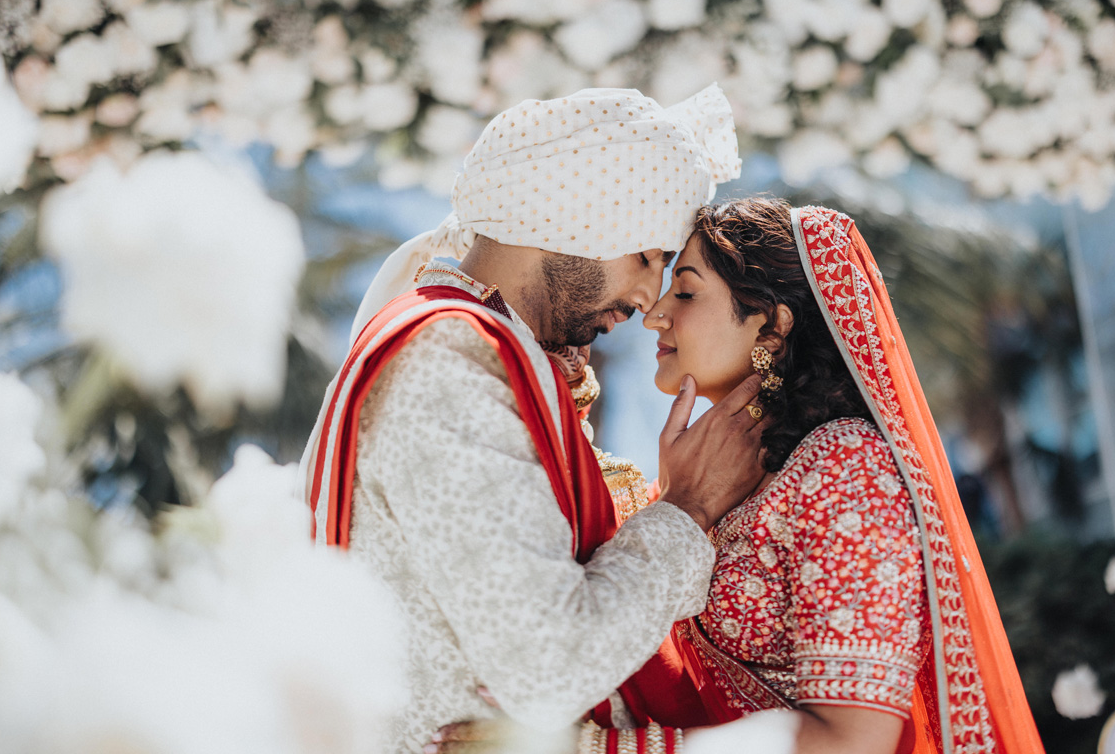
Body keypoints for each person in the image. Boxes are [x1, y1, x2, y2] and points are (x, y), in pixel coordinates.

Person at [433, 197, 1045, 754]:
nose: (654, 316)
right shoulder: (729, 479)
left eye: (687, 293)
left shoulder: (846, 467)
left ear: (772, 327)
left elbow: (853, 743)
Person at [300, 85, 771, 754]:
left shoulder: (478, 351)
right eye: (645, 258)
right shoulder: (450, 365)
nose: (645, 299)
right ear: (574, 220)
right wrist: (687, 510)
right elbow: (549, 670)